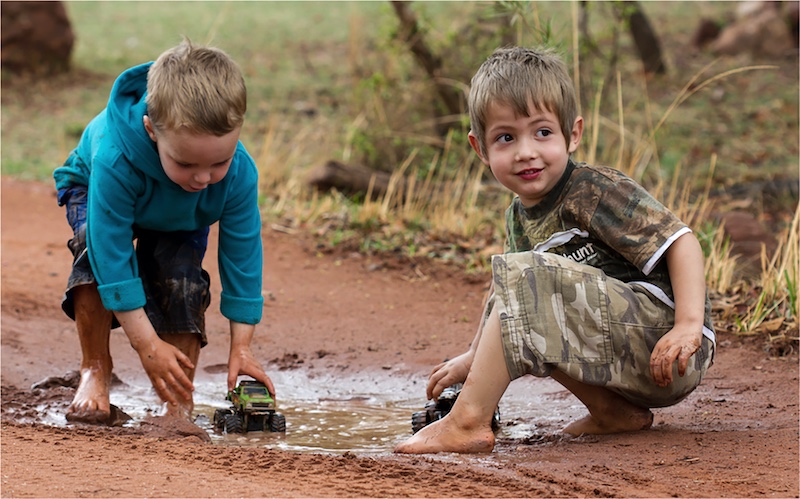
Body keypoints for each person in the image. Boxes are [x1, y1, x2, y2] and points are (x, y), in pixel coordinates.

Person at [395, 46, 715, 454]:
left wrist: (688, 324)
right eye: (506, 138)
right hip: (622, 350)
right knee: (527, 291)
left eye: (542, 133)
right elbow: (506, 298)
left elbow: (682, 241)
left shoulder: (593, 190)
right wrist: (474, 357)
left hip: (668, 344)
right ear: (481, 149)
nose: (526, 151)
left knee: (532, 278)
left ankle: (468, 422)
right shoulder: (518, 217)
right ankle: (613, 413)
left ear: (573, 134)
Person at [53, 39, 274, 424]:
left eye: (218, 162)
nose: (203, 178)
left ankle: (176, 398)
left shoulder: (238, 172)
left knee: (182, 276)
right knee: (92, 251)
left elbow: (242, 258)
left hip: (178, 213)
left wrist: (243, 347)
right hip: (97, 191)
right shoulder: (115, 158)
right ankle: (95, 368)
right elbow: (112, 254)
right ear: (151, 130)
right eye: (186, 163)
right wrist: (146, 343)